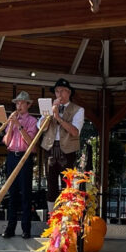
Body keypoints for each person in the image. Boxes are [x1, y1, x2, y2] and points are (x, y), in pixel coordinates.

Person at [39, 78, 85, 210]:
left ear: (69, 93)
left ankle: (67, 217)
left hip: (68, 149)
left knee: (68, 184)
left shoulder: (78, 110)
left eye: (62, 91)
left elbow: (75, 132)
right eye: (57, 91)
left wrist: (58, 118)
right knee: (51, 185)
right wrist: (50, 113)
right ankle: (52, 218)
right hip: (50, 147)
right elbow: (41, 127)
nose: (59, 94)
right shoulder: (49, 108)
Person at [2, 92, 39, 239]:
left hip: (25, 157)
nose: (19, 106)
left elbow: (31, 142)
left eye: (22, 103)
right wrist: (11, 125)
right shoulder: (12, 120)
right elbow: (6, 141)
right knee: (12, 195)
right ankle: (10, 228)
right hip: (12, 156)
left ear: (28, 105)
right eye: (17, 103)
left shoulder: (32, 121)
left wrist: (19, 126)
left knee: (25, 194)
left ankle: (26, 229)